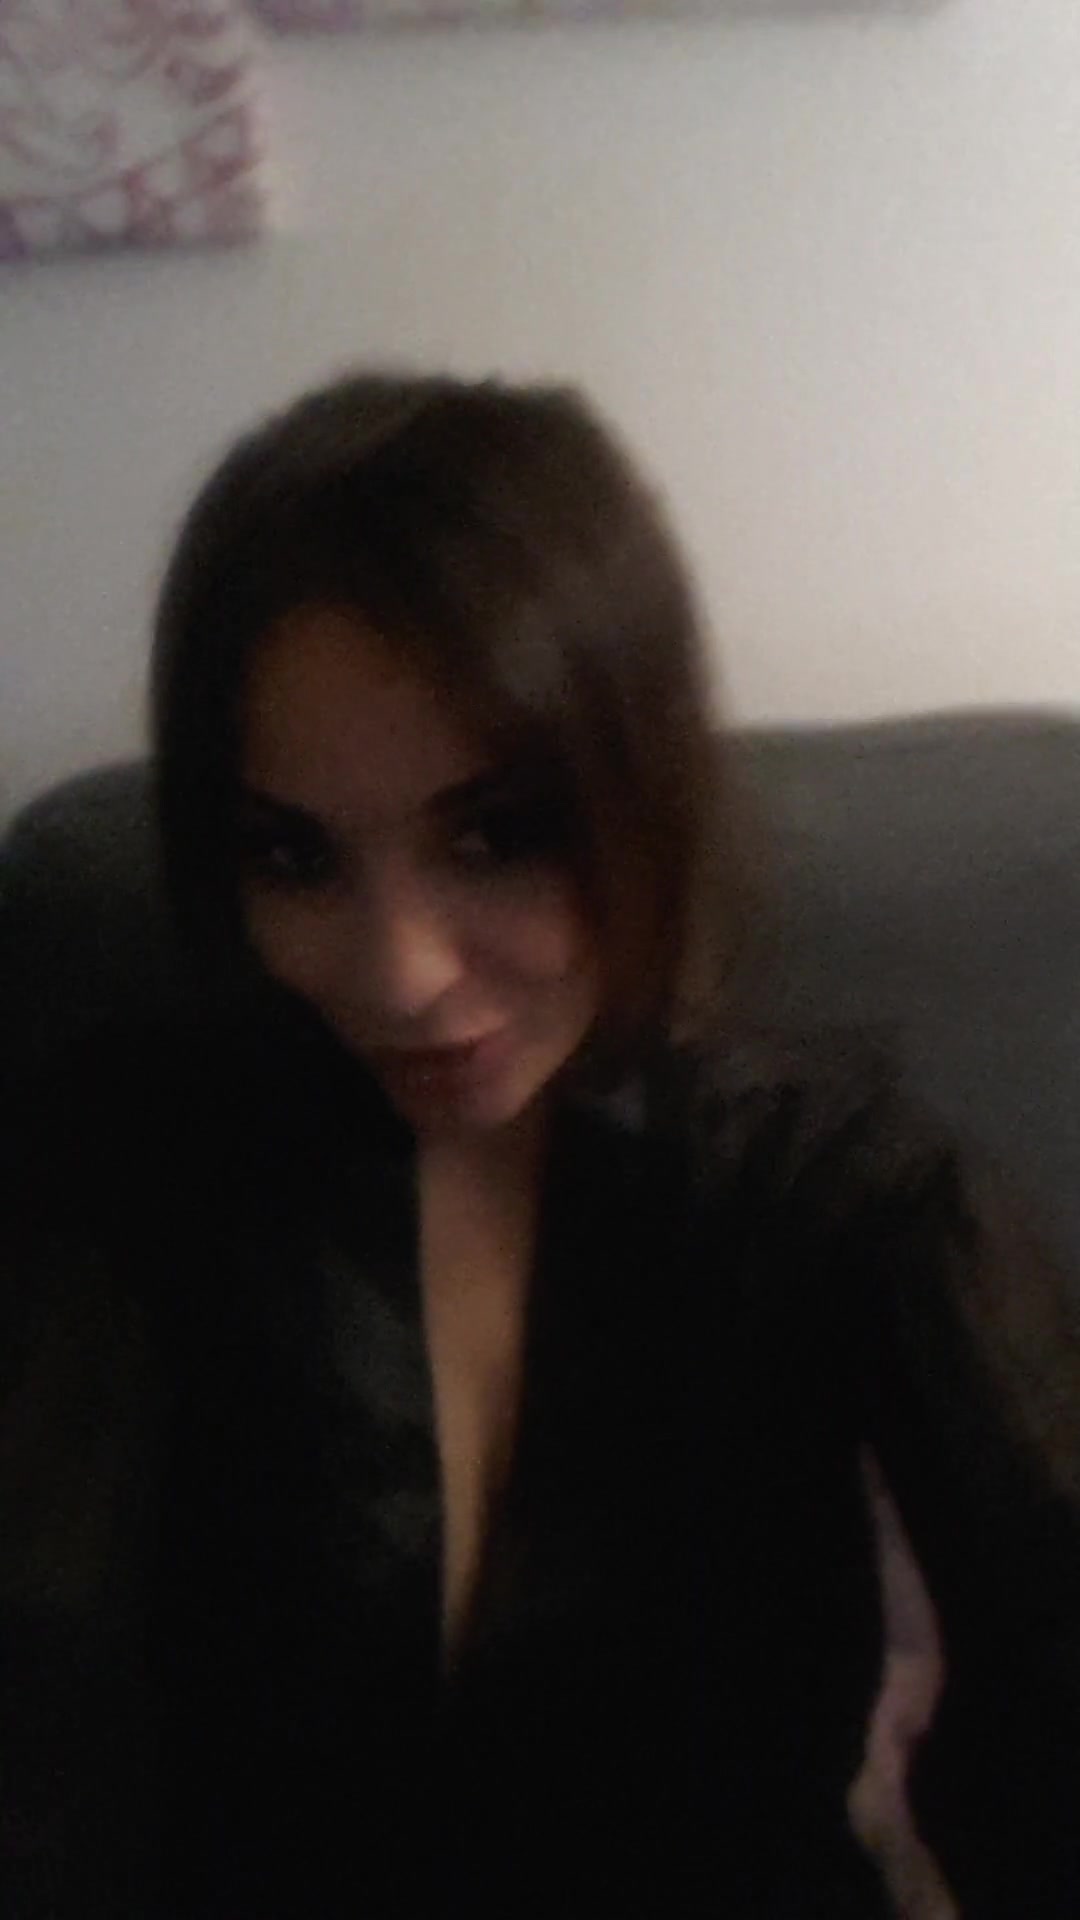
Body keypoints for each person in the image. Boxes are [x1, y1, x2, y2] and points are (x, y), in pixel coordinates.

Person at [4, 372, 1080, 1919]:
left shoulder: (838, 1182)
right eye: (294, 856)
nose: (399, 977)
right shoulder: (133, 1166)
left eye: (494, 834)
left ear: (638, 793)